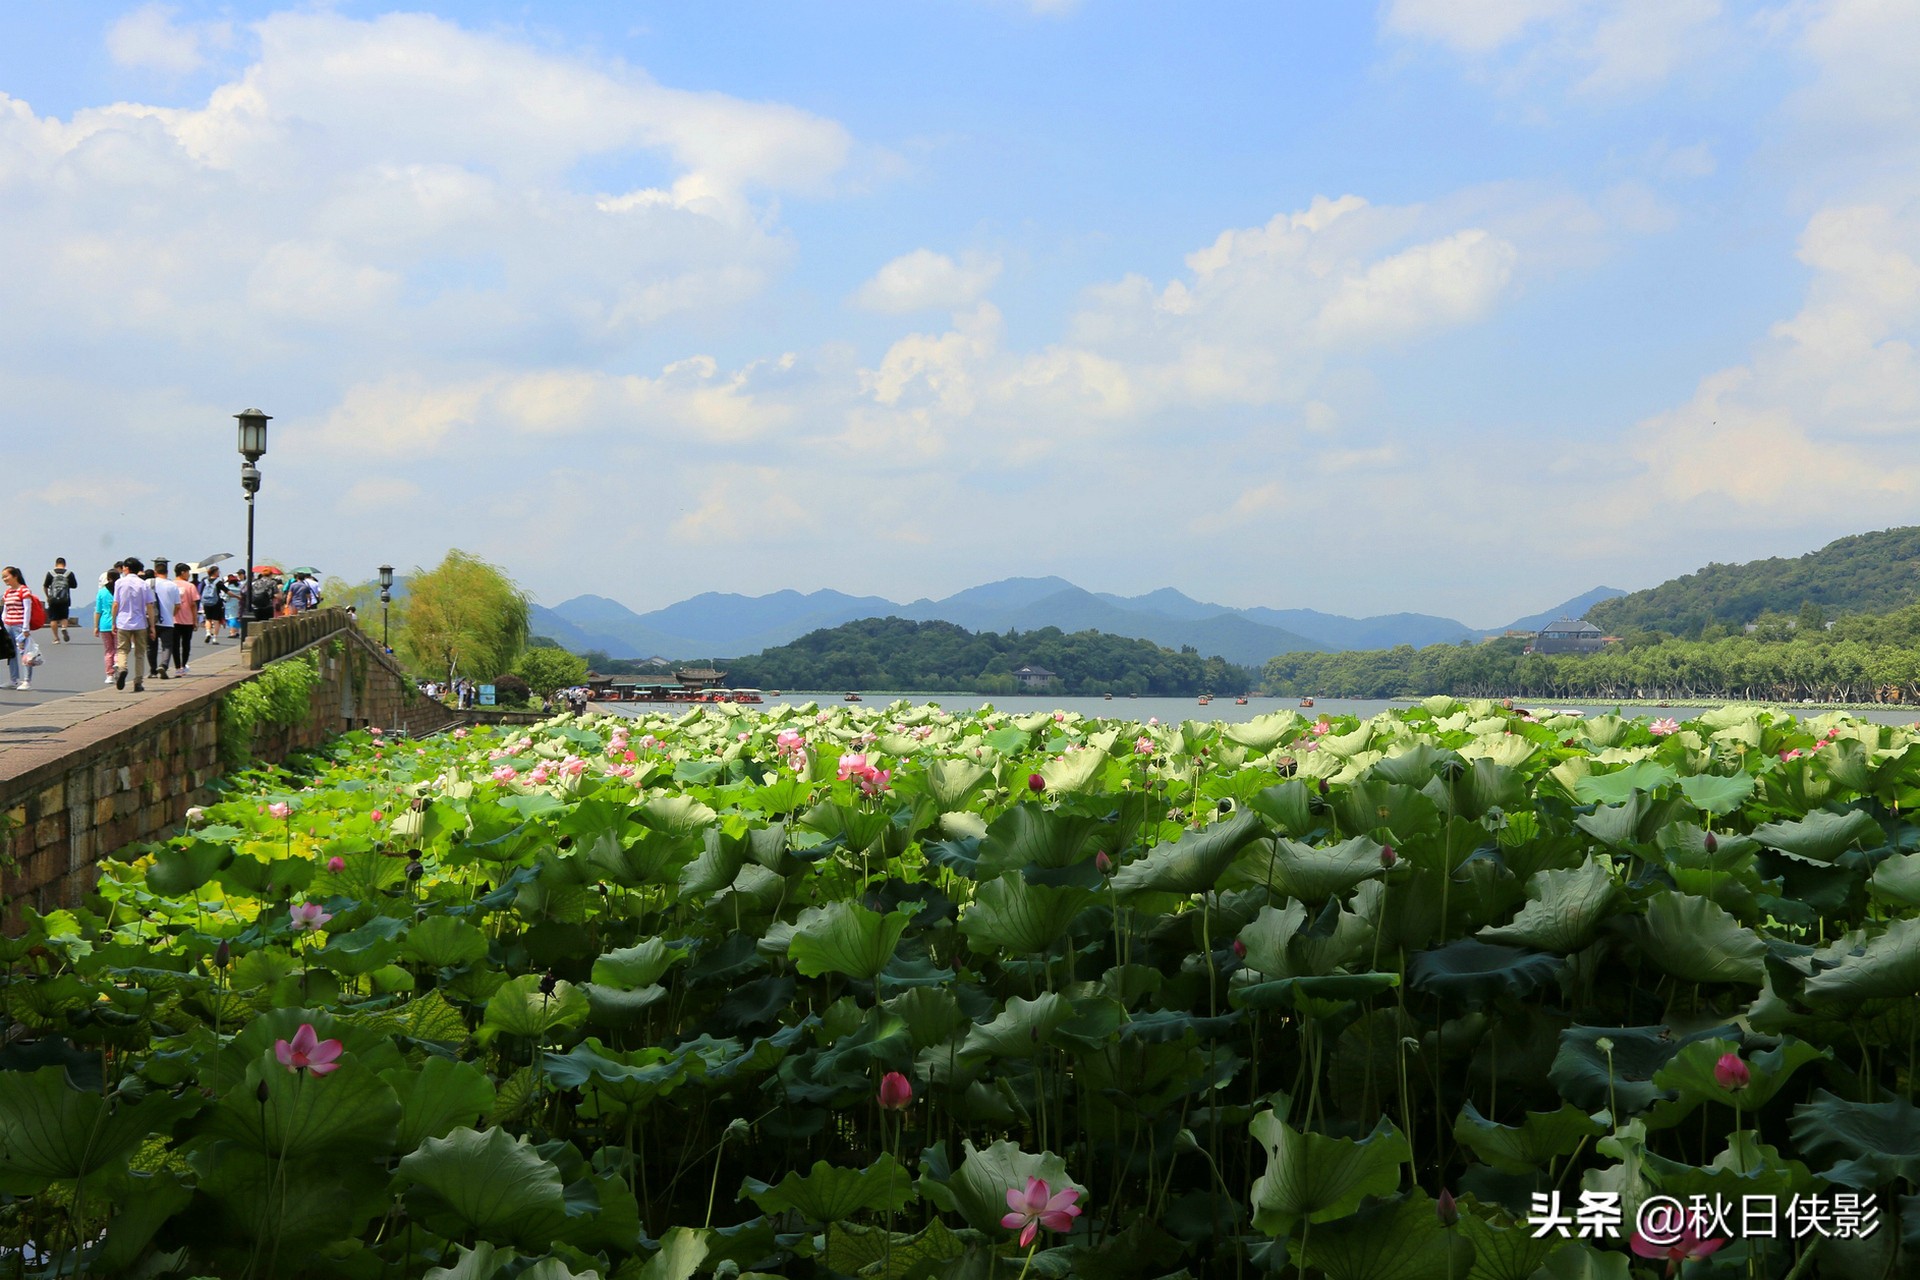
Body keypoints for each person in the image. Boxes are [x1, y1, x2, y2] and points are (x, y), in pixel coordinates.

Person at [112, 557, 157, 692]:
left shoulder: (119, 582)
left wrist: (113, 621)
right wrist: (152, 626)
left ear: (126, 568)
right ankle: (138, 682)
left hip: (123, 622)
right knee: (140, 653)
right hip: (140, 622)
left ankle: (122, 668)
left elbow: (115, 604)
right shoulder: (144, 584)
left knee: (122, 650)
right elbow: (149, 605)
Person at [2, 567, 37, 690]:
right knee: (11, 653)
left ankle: (27, 680)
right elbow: (5, 610)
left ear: (15, 576)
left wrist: (25, 628)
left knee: (25, 653)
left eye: (6, 576)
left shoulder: (24, 590)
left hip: (19, 626)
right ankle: (14, 679)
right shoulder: (7, 593)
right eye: (3, 577)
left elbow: (27, 609)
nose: (4, 579)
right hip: (8, 625)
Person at [146, 566, 179, 680]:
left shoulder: (148, 582)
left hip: (151, 621)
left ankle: (153, 671)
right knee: (167, 646)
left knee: (151, 646)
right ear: (167, 572)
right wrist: (171, 614)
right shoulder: (173, 585)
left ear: (155, 572)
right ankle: (163, 665)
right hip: (167, 622)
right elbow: (178, 605)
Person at [172, 563, 200, 674]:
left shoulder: (171, 585)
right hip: (187, 620)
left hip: (173, 619)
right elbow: (193, 604)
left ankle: (177, 667)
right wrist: (195, 620)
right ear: (183, 572)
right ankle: (184, 665)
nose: (189, 575)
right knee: (186, 644)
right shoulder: (190, 586)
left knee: (175, 645)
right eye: (188, 572)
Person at [42, 558, 78, 643]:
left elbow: (45, 586)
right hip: (65, 599)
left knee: (53, 619)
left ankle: (56, 638)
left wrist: (48, 596)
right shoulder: (69, 573)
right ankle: (64, 627)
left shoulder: (50, 573)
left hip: (53, 599)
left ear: (56, 563)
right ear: (64, 564)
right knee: (64, 617)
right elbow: (74, 585)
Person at [96, 570, 119, 683]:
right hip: (118, 623)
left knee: (108, 650)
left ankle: (109, 675)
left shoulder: (102, 592)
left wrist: (96, 626)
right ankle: (117, 663)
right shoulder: (120, 591)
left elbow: (98, 611)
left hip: (104, 624)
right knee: (118, 648)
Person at [201, 569, 226, 644]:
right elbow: (227, 591)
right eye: (218, 571)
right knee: (216, 621)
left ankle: (208, 633)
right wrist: (237, 596)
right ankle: (215, 638)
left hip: (206, 602)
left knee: (208, 619)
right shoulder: (218, 582)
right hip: (216, 603)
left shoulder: (204, 581)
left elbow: (200, 591)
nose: (219, 573)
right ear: (214, 572)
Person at [224, 573, 243, 637]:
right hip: (239, 604)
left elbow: (225, 597)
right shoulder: (240, 587)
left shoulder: (228, 588)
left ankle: (232, 632)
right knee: (237, 617)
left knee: (231, 618)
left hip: (230, 604)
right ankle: (237, 631)